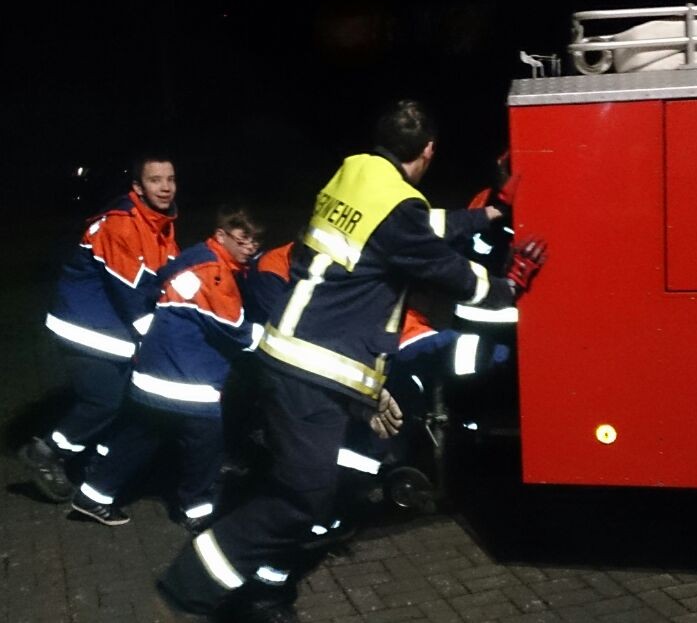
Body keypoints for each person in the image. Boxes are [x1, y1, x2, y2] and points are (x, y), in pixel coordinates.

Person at [158, 100, 547, 622]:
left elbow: (421, 225)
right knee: (301, 500)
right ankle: (190, 589)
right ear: (429, 151)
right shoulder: (399, 211)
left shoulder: (356, 173)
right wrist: (511, 284)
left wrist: (492, 211)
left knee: (302, 491)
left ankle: (253, 591)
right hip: (314, 369)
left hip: (299, 360)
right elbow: (451, 273)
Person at [66, 206, 265, 527]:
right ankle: (196, 511)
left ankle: (92, 496)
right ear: (221, 236)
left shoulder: (194, 257)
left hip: (155, 372)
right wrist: (272, 340)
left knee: (143, 437)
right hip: (187, 382)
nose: (250, 248)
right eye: (243, 241)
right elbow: (235, 330)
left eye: (255, 243)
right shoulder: (215, 274)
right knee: (206, 447)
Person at [20, 153, 179, 502]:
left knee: (126, 400)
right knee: (105, 401)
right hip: (86, 328)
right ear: (138, 186)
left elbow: (167, 281)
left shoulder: (159, 223)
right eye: (155, 180)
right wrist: (164, 344)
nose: (165, 187)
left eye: (170, 179)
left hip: (111, 328)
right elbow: (134, 296)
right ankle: (46, 452)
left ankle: (94, 460)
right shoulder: (120, 224)